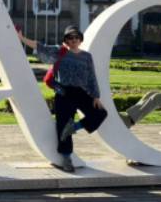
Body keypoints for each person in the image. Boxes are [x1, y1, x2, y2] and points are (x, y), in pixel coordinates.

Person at [18, 25, 107, 173]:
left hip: (81, 92)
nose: (74, 40)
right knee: (62, 126)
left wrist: (96, 96)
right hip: (64, 93)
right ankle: (67, 159)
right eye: (70, 38)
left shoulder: (86, 56)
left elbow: (92, 77)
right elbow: (41, 47)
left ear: (80, 39)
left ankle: (74, 127)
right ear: (66, 40)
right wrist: (22, 39)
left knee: (101, 114)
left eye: (76, 37)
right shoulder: (60, 52)